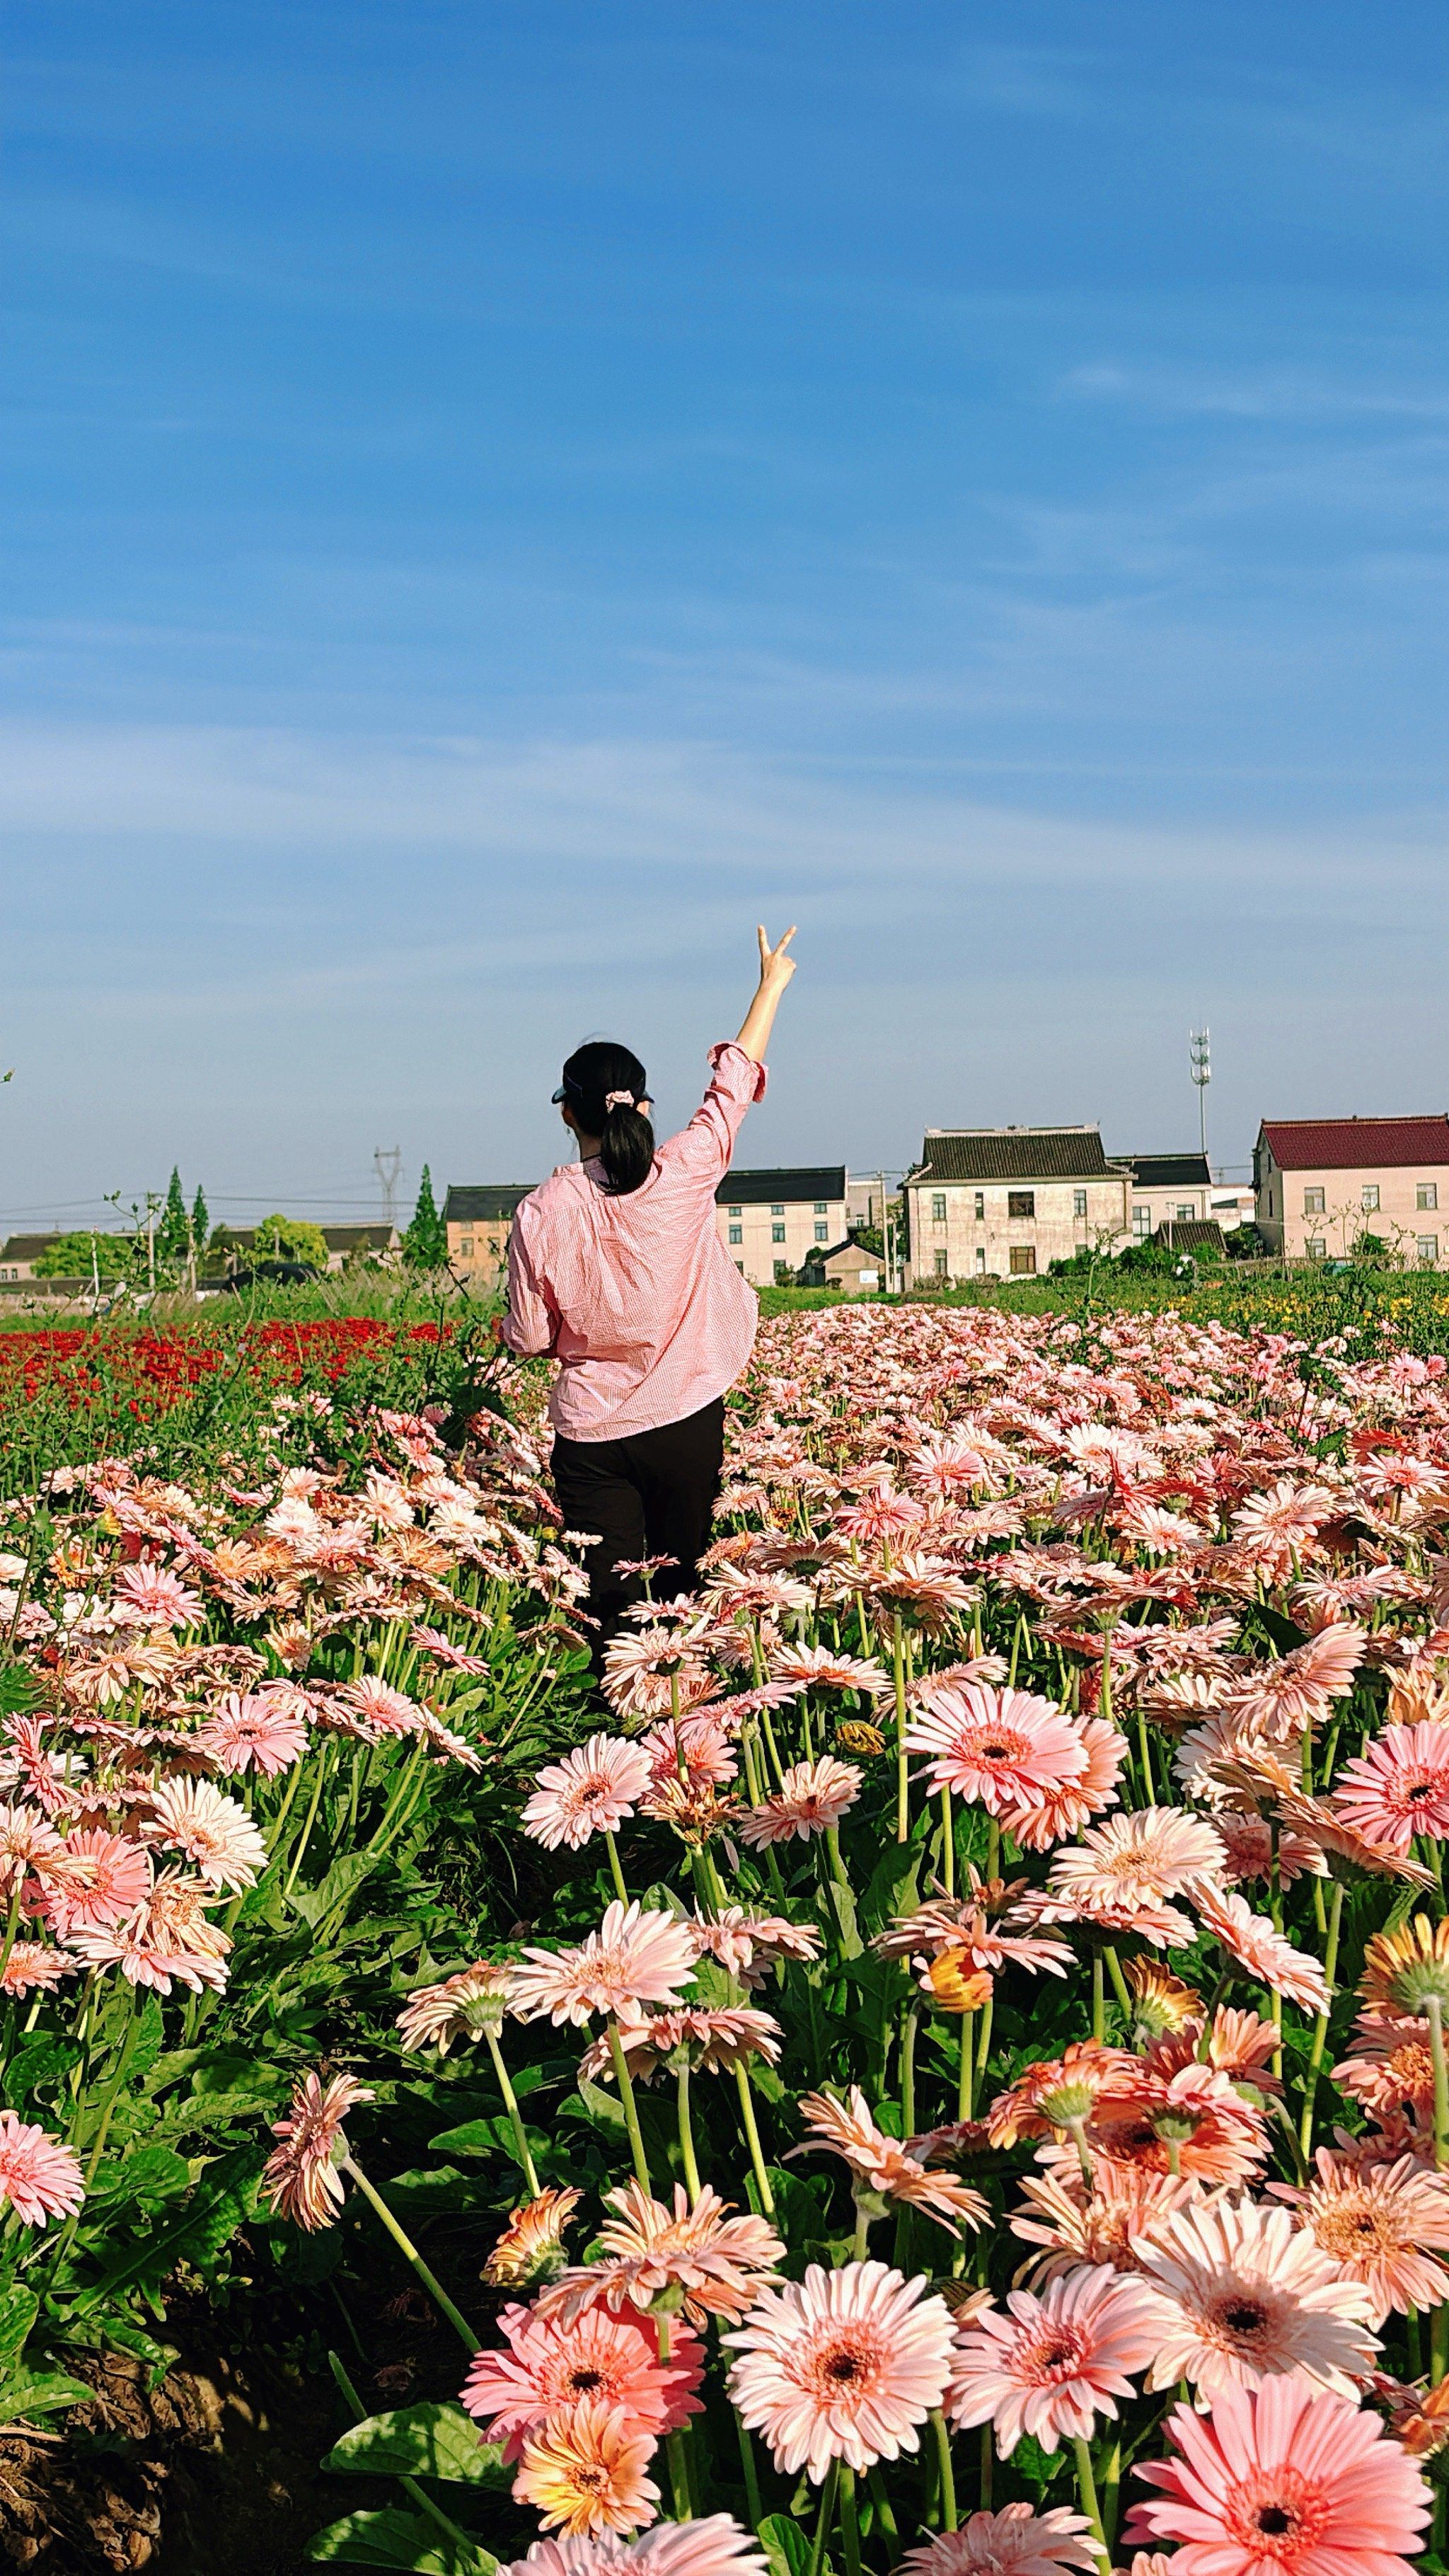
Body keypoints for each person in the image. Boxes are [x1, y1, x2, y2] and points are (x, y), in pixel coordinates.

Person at [502, 925, 798, 1666]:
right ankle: (685, 1717)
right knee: (681, 1589)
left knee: (610, 1608)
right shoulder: (683, 1172)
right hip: (685, 1416)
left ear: (566, 1113)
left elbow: (529, 1338)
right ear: (641, 1105)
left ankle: (613, 1722)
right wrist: (768, 987)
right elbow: (731, 1087)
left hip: (591, 1436)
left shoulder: (539, 1214)